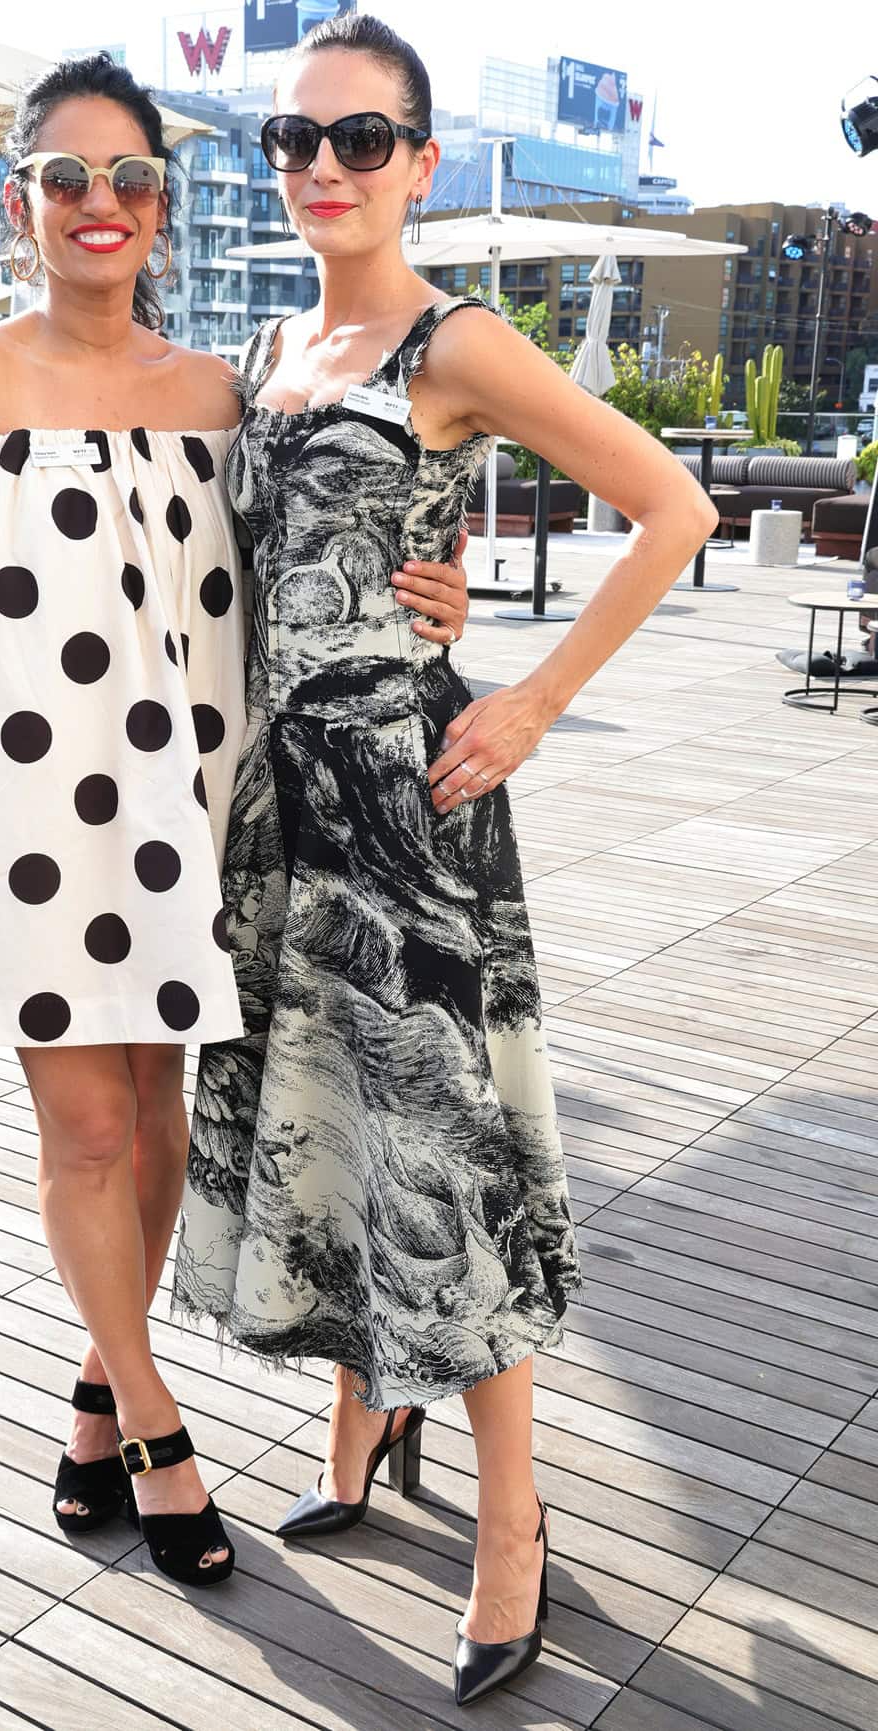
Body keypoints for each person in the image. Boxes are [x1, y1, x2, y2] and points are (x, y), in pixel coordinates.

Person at [0, 55, 470, 1591]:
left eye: (132, 179)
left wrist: (435, 590)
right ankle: (161, 1425)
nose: (101, 206)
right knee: (86, 1129)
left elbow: (325, 550)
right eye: (66, 178)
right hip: (17, 824)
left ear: (164, 204)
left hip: (186, 817)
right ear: (18, 199)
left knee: (160, 1122)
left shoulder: (214, 392)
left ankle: (98, 1392)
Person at [172, 13, 718, 1705]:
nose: (322, 168)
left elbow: (671, 509)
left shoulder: (453, 342)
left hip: (411, 805)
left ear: (417, 162)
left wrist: (539, 693)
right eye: (295, 139)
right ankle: (363, 1412)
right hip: (276, 810)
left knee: (446, 1156)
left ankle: (514, 1526)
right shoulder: (267, 344)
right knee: (320, 1124)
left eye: (360, 140)